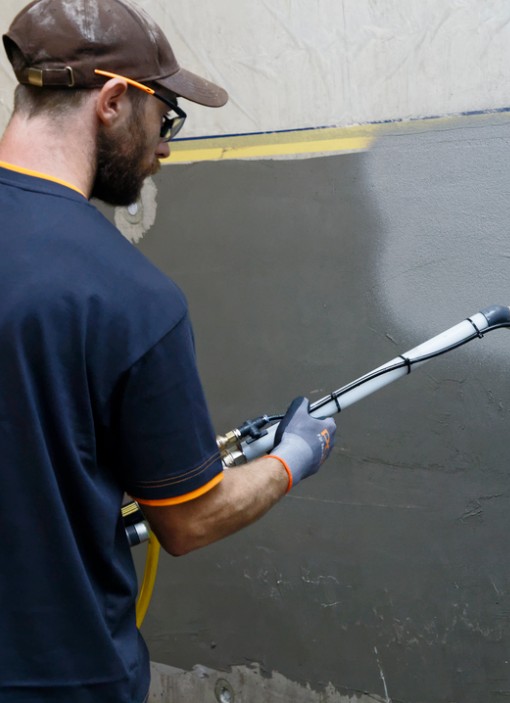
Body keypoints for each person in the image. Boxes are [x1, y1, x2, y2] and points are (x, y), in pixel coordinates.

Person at [0, 0, 338, 701]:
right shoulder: (130, 296)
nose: (164, 148)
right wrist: (291, 459)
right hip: (62, 680)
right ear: (113, 102)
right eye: (165, 118)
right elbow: (188, 519)